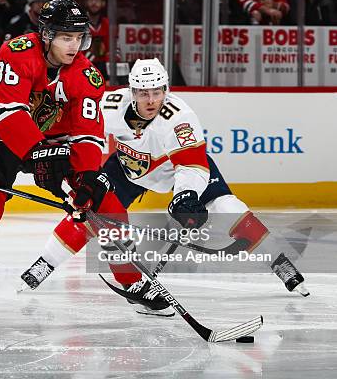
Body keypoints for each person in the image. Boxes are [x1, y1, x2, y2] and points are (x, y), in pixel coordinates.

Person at [19, 58, 309, 317]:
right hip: (129, 168)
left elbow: (192, 164)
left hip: (178, 171)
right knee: (90, 209)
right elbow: (80, 132)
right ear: (132, 92)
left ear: (165, 90)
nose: (151, 100)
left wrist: (185, 196)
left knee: (229, 208)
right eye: (144, 93)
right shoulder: (110, 106)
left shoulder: (180, 117)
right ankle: (44, 264)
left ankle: (281, 263)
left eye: (157, 92)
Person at [0, 0, 128, 324]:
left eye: (78, 38)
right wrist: (37, 156)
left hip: (57, 142)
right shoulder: (16, 52)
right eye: (66, 37)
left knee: (104, 200)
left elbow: (88, 135)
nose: (73, 45)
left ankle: (132, 281)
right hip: (3, 138)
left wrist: (88, 177)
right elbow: (7, 112)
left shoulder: (87, 76)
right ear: (46, 34)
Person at [84, 0, 109, 78]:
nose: (94, 3)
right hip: (84, 72)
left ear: (103, 3)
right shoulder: (79, 25)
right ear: (86, 2)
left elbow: (114, 52)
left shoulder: (109, 24)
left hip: (106, 74)